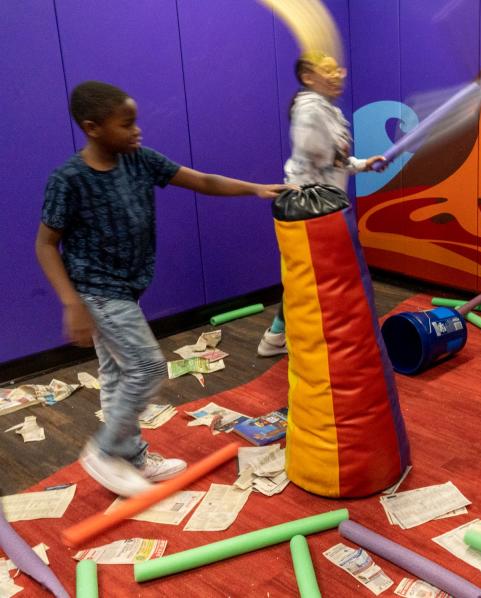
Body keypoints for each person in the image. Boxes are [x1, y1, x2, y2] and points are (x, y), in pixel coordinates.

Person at [36, 81, 290, 497]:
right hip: (96, 291)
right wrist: (71, 303)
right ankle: (105, 450)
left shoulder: (138, 160)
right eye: (127, 124)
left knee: (119, 373)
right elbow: (45, 244)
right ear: (93, 127)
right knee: (149, 367)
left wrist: (255, 188)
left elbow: (203, 181)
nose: (137, 131)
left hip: (128, 286)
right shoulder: (69, 180)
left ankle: (131, 457)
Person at [257, 53, 385, 357]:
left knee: (310, 278)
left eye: (338, 69)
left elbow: (336, 162)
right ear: (308, 77)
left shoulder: (328, 111)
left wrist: (365, 164)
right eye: (327, 70)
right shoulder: (310, 109)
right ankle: (287, 338)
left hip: (327, 205)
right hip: (308, 207)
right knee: (313, 278)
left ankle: (277, 336)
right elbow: (318, 155)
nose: (339, 74)